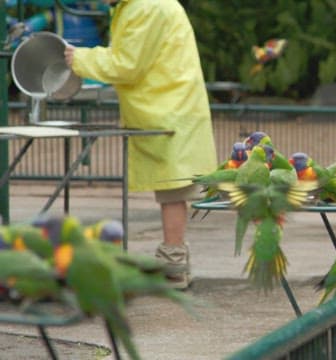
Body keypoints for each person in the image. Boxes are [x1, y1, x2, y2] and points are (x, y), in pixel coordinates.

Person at [65, 0, 217, 289]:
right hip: (171, 106)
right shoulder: (143, 5)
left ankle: (174, 263)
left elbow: (126, 66)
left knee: (173, 188)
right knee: (171, 187)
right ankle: (174, 261)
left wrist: (80, 59)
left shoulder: (144, 7)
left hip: (169, 110)